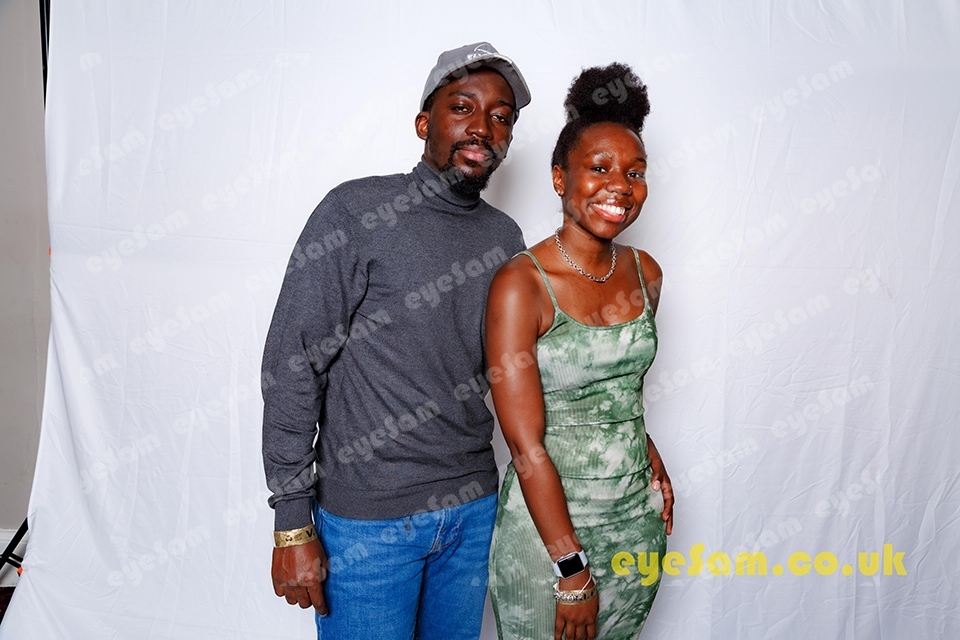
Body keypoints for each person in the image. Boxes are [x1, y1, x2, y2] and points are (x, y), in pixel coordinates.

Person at [260, 43, 531, 640]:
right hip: (369, 522)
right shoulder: (355, 212)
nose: (483, 127)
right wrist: (292, 518)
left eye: (501, 116)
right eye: (462, 107)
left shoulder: (506, 239)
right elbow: (292, 363)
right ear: (423, 122)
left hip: (472, 511)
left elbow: (526, 372)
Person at [486, 63, 674, 640]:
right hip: (551, 540)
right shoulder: (521, 284)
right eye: (599, 168)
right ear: (559, 178)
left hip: (635, 524)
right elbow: (524, 445)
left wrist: (646, 454)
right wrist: (571, 571)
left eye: (635, 172)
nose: (620, 185)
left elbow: (618, 391)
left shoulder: (645, 273)